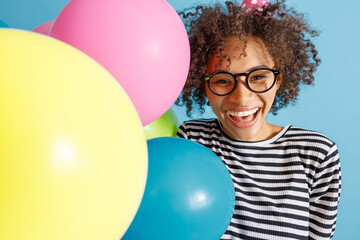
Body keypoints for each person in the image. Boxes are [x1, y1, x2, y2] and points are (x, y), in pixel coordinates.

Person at [175, 0, 341, 239]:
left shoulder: (316, 153)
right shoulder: (192, 139)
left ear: (279, 80)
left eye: (258, 76)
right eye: (222, 80)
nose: (242, 98)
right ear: (204, 86)